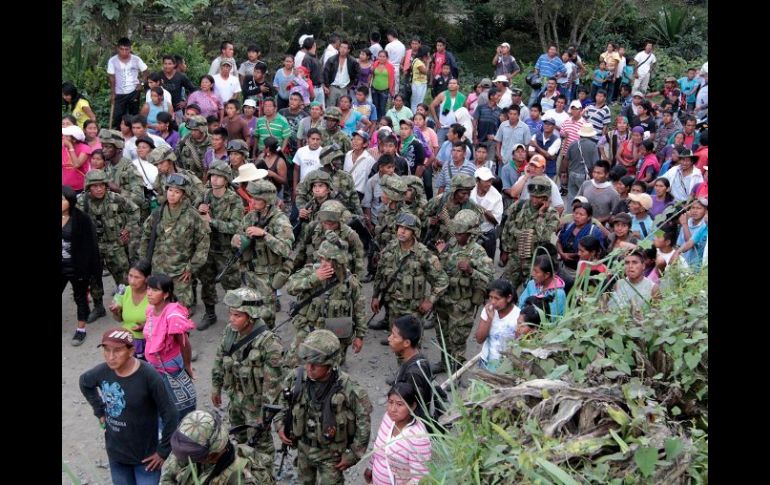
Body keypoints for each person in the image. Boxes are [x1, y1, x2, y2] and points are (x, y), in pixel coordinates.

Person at [80, 327, 178, 484]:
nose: (111, 356)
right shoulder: (102, 371)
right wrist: (99, 411)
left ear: (131, 351)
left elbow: (171, 414)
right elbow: (85, 383)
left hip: (146, 459)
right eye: (106, 350)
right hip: (116, 455)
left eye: (117, 350)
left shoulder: (149, 376)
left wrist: (163, 451)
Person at [277, 329, 373, 485]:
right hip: (303, 450)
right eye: (307, 362)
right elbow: (281, 401)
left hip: (331, 456)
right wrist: (280, 425)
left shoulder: (348, 386)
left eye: (316, 364)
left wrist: (354, 454)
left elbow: (364, 421)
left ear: (330, 364)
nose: (309, 368)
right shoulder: (296, 378)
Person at [211, 287, 284, 458]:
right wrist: (216, 386)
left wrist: (264, 416)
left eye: (237, 315)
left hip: (256, 407)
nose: (231, 319)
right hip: (235, 399)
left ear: (250, 317)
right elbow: (220, 359)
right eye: (230, 314)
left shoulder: (269, 343)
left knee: (261, 448)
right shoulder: (230, 332)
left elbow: (272, 385)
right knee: (240, 441)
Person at [286, 233, 367, 366]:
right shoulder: (311, 271)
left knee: (332, 368)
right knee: (295, 364)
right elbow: (290, 287)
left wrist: (360, 336)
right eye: (322, 258)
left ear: (339, 262)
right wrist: (314, 278)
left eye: (328, 260)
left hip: (336, 334)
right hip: (309, 329)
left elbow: (359, 309)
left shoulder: (349, 281)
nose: (324, 263)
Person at [432, 210, 494, 373]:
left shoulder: (478, 251)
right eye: (456, 232)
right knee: (442, 334)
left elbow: (489, 280)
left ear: (471, 233)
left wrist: (471, 271)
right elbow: (441, 270)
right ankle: (444, 363)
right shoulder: (451, 244)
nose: (457, 236)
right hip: (443, 300)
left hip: (461, 304)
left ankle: (456, 371)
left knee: (458, 340)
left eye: (461, 234)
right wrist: (440, 253)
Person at [138, 174, 210, 314]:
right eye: (170, 190)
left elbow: (203, 243)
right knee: (158, 309)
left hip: (180, 271)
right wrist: (144, 263)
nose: (172, 194)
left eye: (177, 192)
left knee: (181, 311)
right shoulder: (157, 213)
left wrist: (192, 267)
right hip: (158, 269)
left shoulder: (192, 216)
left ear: (183, 194)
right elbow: (145, 237)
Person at [371, 211, 449, 337]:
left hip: (413, 311)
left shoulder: (423, 254)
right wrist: (375, 296)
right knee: (396, 343)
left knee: (412, 345)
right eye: (400, 227)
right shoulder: (390, 248)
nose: (402, 231)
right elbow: (380, 273)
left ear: (414, 232)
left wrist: (430, 301)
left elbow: (442, 279)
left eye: (407, 229)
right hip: (393, 308)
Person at [78, 169, 140, 323]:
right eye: (95, 186)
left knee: (123, 276)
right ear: (88, 187)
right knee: (93, 277)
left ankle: (126, 304)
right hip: (93, 247)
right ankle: (98, 306)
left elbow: (134, 210)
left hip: (115, 244)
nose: (99, 189)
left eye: (102, 185)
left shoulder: (115, 198)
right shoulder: (81, 202)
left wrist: (128, 229)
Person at [231, 180, 294, 328]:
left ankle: (268, 338)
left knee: (266, 315)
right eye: (252, 197)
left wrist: (265, 235)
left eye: (257, 199)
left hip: (267, 276)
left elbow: (285, 249)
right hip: (250, 272)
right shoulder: (251, 216)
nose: (252, 201)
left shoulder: (280, 220)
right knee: (250, 310)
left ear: (267, 200)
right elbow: (239, 234)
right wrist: (235, 240)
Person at [193, 161, 243, 330]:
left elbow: (236, 226)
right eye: (212, 175)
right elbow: (191, 216)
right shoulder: (205, 195)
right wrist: (198, 211)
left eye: (219, 176)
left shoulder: (234, 200)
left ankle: (237, 319)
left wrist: (212, 221)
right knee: (206, 283)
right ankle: (210, 314)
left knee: (232, 286)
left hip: (226, 250)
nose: (214, 179)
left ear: (226, 179)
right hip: (207, 249)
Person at [499, 176, 561, 289]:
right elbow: (507, 228)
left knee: (532, 291)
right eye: (533, 196)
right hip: (515, 257)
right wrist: (505, 251)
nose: (535, 200)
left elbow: (543, 237)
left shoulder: (552, 215)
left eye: (539, 197)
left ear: (546, 197)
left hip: (535, 260)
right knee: (505, 288)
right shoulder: (519, 206)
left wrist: (541, 215)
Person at [365, 383, 432, 485]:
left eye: (399, 404)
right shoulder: (388, 418)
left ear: (413, 406)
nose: (392, 409)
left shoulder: (418, 438)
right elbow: (378, 448)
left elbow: (420, 478)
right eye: (390, 402)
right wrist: (370, 467)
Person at [62, 185, 101, 346]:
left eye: (62, 199)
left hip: (77, 267)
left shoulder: (82, 219)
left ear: (70, 201)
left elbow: (90, 246)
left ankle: (81, 329)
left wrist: (91, 269)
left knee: (80, 297)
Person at [385, 315, 435, 415]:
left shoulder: (413, 374)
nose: (389, 338)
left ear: (406, 343)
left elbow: (414, 410)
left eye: (394, 336)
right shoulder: (419, 358)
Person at [109, 259, 151, 360]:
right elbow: (119, 319)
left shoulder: (153, 294)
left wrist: (145, 327)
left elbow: (163, 321)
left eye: (137, 277)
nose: (132, 281)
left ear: (147, 278)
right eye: (130, 275)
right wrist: (116, 312)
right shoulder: (123, 291)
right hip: (127, 340)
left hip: (148, 343)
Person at [475, 279, 520, 372]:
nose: (492, 302)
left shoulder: (518, 316)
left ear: (509, 298)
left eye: (497, 298)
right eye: (490, 297)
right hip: (486, 361)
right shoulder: (488, 310)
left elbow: (518, 345)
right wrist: (489, 319)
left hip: (506, 365)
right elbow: (479, 339)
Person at [107, 37, 148, 129]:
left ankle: (134, 134)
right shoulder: (112, 61)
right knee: (117, 116)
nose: (124, 52)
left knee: (134, 115)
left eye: (126, 49)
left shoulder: (136, 59)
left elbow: (146, 72)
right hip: (119, 92)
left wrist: (141, 84)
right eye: (122, 49)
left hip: (134, 91)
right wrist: (113, 93)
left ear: (130, 49)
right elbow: (112, 77)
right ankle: (118, 134)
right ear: (118, 49)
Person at [557, 202, 605, 276]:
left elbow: (598, 253)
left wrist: (571, 255)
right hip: (564, 267)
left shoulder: (594, 232)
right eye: (575, 213)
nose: (577, 216)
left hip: (583, 272)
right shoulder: (568, 226)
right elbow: (559, 241)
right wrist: (562, 253)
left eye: (581, 214)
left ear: (589, 217)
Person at [562, 124, 601, 206]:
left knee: (571, 196)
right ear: (591, 135)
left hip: (572, 173)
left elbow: (566, 159)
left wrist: (564, 172)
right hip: (585, 175)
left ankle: (570, 212)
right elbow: (596, 164)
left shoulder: (573, 144)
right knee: (584, 198)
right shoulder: (593, 146)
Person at [471, 167, 504, 259]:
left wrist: (483, 210)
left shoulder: (496, 196)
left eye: (490, 180)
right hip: (470, 234)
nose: (489, 184)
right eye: (486, 181)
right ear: (477, 181)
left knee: (487, 262)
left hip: (488, 234)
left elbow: (496, 221)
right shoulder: (470, 190)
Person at [577, 160, 619, 224]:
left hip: (601, 226)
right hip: (581, 223)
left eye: (599, 173)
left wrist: (600, 220)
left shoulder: (613, 193)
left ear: (607, 174)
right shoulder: (586, 184)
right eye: (594, 172)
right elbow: (577, 201)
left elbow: (615, 214)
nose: (595, 175)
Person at [323, 39, 360, 109]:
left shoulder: (352, 61)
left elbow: (357, 74)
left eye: (345, 48)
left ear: (348, 50)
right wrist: (326, 86)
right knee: (330, 109)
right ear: (339, 48)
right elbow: (325, 73)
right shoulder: (332, 59)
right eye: (341, 47)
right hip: (332, 87)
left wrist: (351, 85)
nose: (342, 49)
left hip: (344, 88)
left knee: (342, 109)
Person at [674, 198, 708, 271]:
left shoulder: (705, 225)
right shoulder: (687, 222)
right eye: (693, 208)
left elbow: (691, 243)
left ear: (706, 211)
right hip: (684, 265)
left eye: (698, 208)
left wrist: (684, 224)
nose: (695, 211)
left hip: (698, 268)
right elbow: (679, 245)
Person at [345, 130, 377, 197]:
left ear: (365, 144)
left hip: (359, 194)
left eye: (358, 139)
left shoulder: (369, 159)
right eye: (354, 139)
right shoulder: (348, 154)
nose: (355, 141)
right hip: (346, 191)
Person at [62, 125, 92, 193]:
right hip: (65, 187)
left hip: (80, 188)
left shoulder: (85, 148)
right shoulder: (63, 147)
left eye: (66, 136)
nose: (63, 138)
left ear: (74, 139)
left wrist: (70, 147)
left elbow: (76, 164)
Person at [371, 50, 397, 122]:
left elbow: (393, 79)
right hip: (374, 88)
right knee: (375, 106)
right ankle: (375, 121)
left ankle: (382, 122)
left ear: (387, 58)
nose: (381, 58)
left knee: (382, 108)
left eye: (383, 56)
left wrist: (392, 91)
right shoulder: (375, 64)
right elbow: (372, 74)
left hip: (384, 90)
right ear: (378, 57)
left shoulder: (390, 66)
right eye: (380, 56)